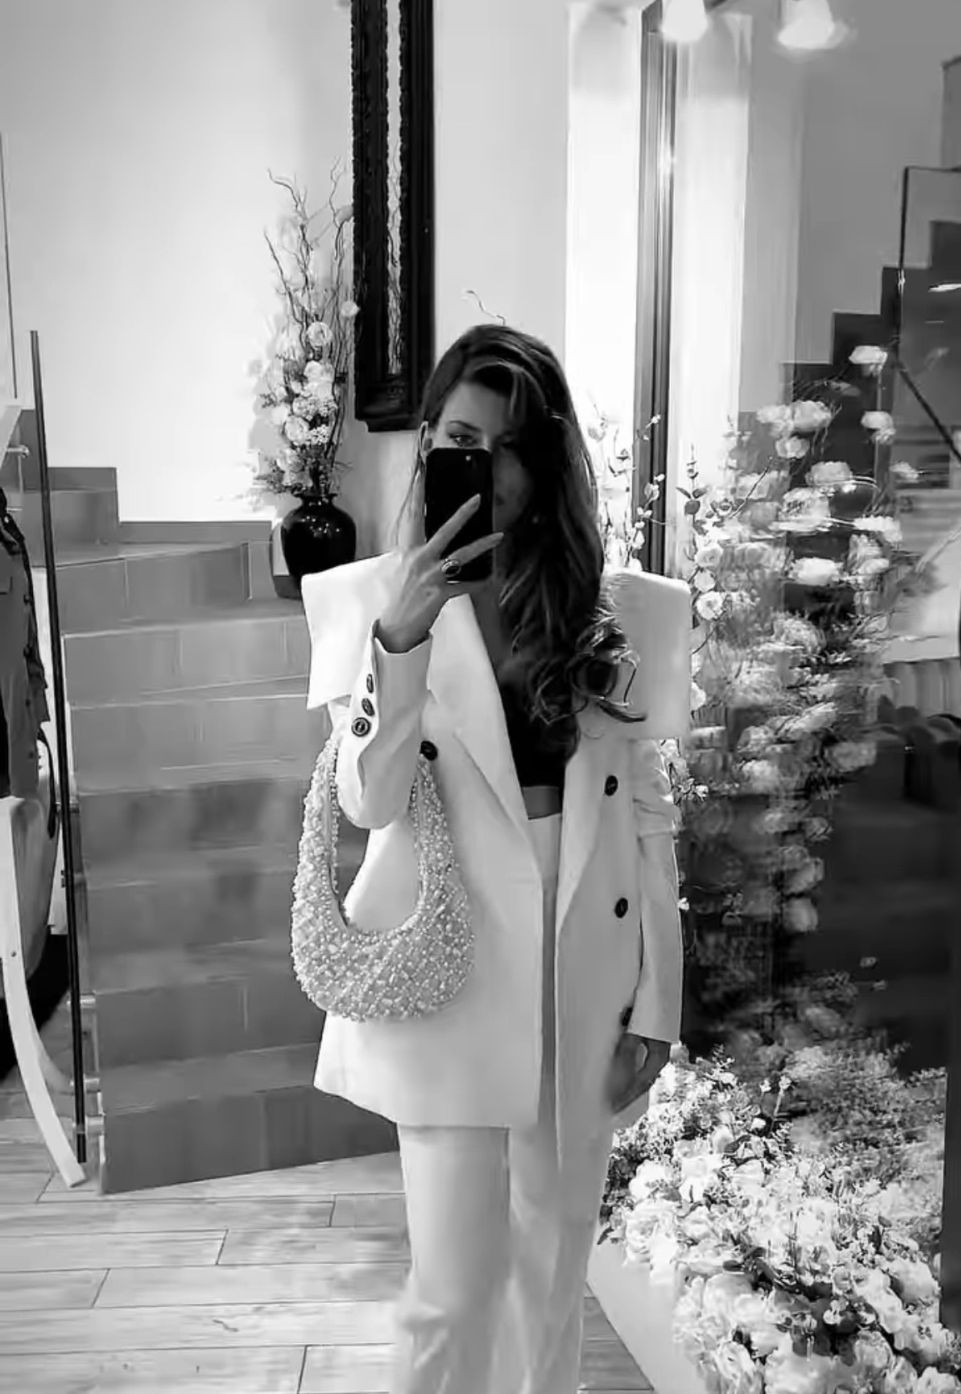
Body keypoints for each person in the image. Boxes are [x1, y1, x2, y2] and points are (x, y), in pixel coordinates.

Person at [302, 324, 690, 1394]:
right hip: (453, 955)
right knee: (455, 1288)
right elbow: (368, 800)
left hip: (583, 952)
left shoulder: (621, 609)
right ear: (430, 441)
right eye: (465, 441)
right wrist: (402, 639)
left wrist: (658, 997)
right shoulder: (371, 599)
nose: (490, 467)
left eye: (514, 445)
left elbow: (647, 817)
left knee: (552, 1273)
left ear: (547, 459)